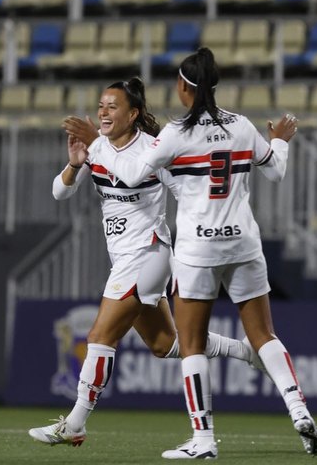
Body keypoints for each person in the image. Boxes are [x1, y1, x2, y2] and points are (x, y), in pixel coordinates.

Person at [87, 47, 317, 459]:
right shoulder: (241, 125)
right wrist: (279, 142)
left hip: (198, 248)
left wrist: (98, 143)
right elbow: (276, 170)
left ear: (184, 87)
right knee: (264, 335)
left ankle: (203, 440)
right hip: (244, 243)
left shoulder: (176, 134)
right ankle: (298, 408)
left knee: (192, 344)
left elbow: (127, 175)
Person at [27, 78, 262, 447]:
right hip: (123, 257)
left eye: (112, 107)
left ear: (133, 114)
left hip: (149, 252)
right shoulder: (98, 148)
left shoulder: (152, 150)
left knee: (100, 336)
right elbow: (59, 192)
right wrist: (75, 165)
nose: (103, 112)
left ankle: (75, 422)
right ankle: (247, 350)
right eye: (101, 106)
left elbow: (174, 184)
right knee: (165, 343)